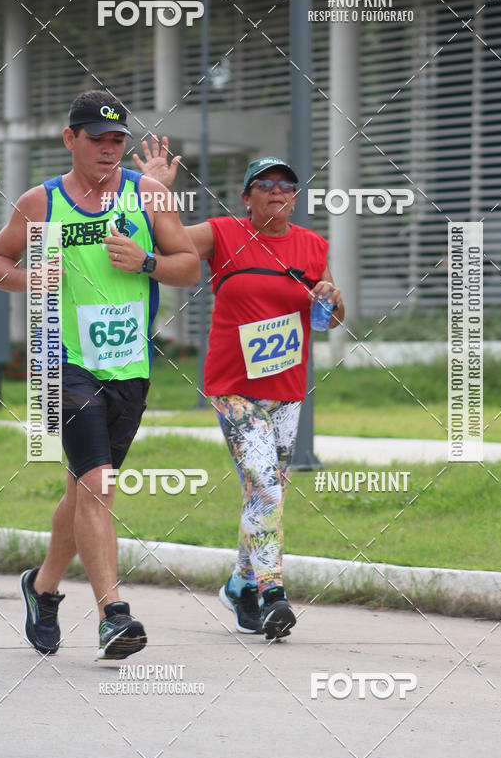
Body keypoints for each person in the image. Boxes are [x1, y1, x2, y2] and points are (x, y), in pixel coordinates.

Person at [0, 92, 200, 659]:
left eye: (116, 141)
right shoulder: (41, 202)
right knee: (99, 485)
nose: (108, 150)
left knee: (85, 487)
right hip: (62, 360)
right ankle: (114, 615)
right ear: (69, 139)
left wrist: (147, 261)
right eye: (96, 140)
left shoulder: (148, 194)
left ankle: (42, 586)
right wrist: (29, 279)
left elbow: (189, 266)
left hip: (129, 364)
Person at [134, 137, 345, 640]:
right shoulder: (223, 234)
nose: (277, 192)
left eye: (286, 186)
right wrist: (158, 192)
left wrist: (329, 299)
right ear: (246, 197)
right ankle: (274, 594)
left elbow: (332, 321)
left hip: (288, 390)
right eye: (265, 185)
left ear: (294, 198)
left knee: (266, 493)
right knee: (266, 488)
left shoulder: (313, 247)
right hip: (234, 387)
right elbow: (164, 245)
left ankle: (240, 584)